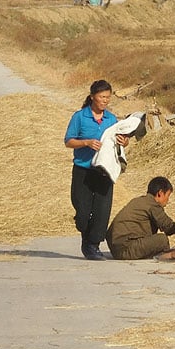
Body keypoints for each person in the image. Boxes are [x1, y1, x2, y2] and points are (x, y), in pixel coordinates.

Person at [64, 79, 130, 260]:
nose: (105, 101)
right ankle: (86, 234)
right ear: (92, 96)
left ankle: (92, 246)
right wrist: (86, 143)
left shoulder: (111, 119)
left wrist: (124, 141)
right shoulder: (79, 117)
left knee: (102, 210)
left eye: (108, 97)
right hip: (83, 170)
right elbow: (68, 141)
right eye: (102, 97)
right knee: (83, 211)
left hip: (104, 170)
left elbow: (121, 139)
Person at [106, 176, 175, 260]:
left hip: (116, 249)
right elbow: (168, 226)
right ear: (160, 193)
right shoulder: (152, 204)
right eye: (168, 196)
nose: (168, 200)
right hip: (126, 249)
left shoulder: (140, 201)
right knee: (162, 240)